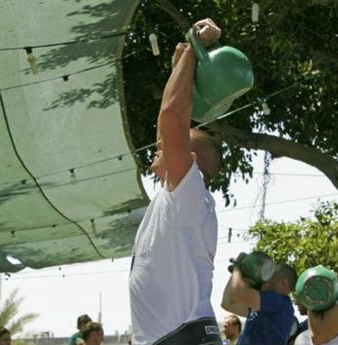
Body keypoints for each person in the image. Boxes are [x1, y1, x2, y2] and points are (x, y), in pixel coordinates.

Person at [128, 18, 223, 345]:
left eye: (169, 144)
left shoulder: (189, 195)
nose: (159, 145)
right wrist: (179, 66)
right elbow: (167, 124)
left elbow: (171, 119)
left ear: (190, 162)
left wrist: (193, 50)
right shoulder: (178, 200)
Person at [221, 258, 297, 345]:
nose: (266, 278)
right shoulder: (267, 304)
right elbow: (227, 303)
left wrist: (239, 266)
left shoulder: (280, 302)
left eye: (271, 275)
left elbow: (237, 292)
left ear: (283, 283)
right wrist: (237, 271)